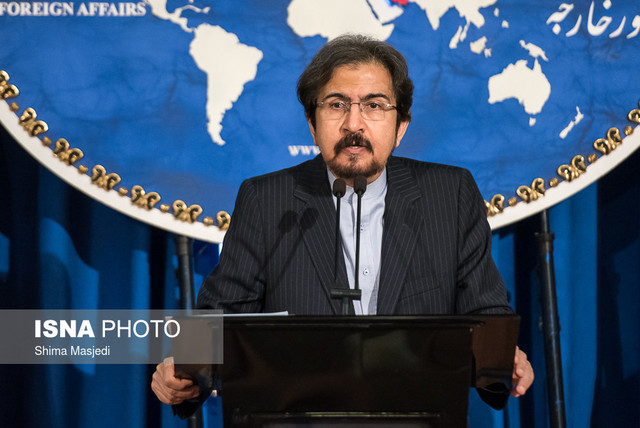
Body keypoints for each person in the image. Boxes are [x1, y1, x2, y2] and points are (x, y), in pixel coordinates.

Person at [152, 34, 534, 415]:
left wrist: (504, 360)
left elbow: (487, 312)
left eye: (374, 105)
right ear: (312, 124)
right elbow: (219, 317)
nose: (354, 124)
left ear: (400, 126)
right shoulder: (266, 200)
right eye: (336, 104)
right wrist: (184, 372)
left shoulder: (450, 194)